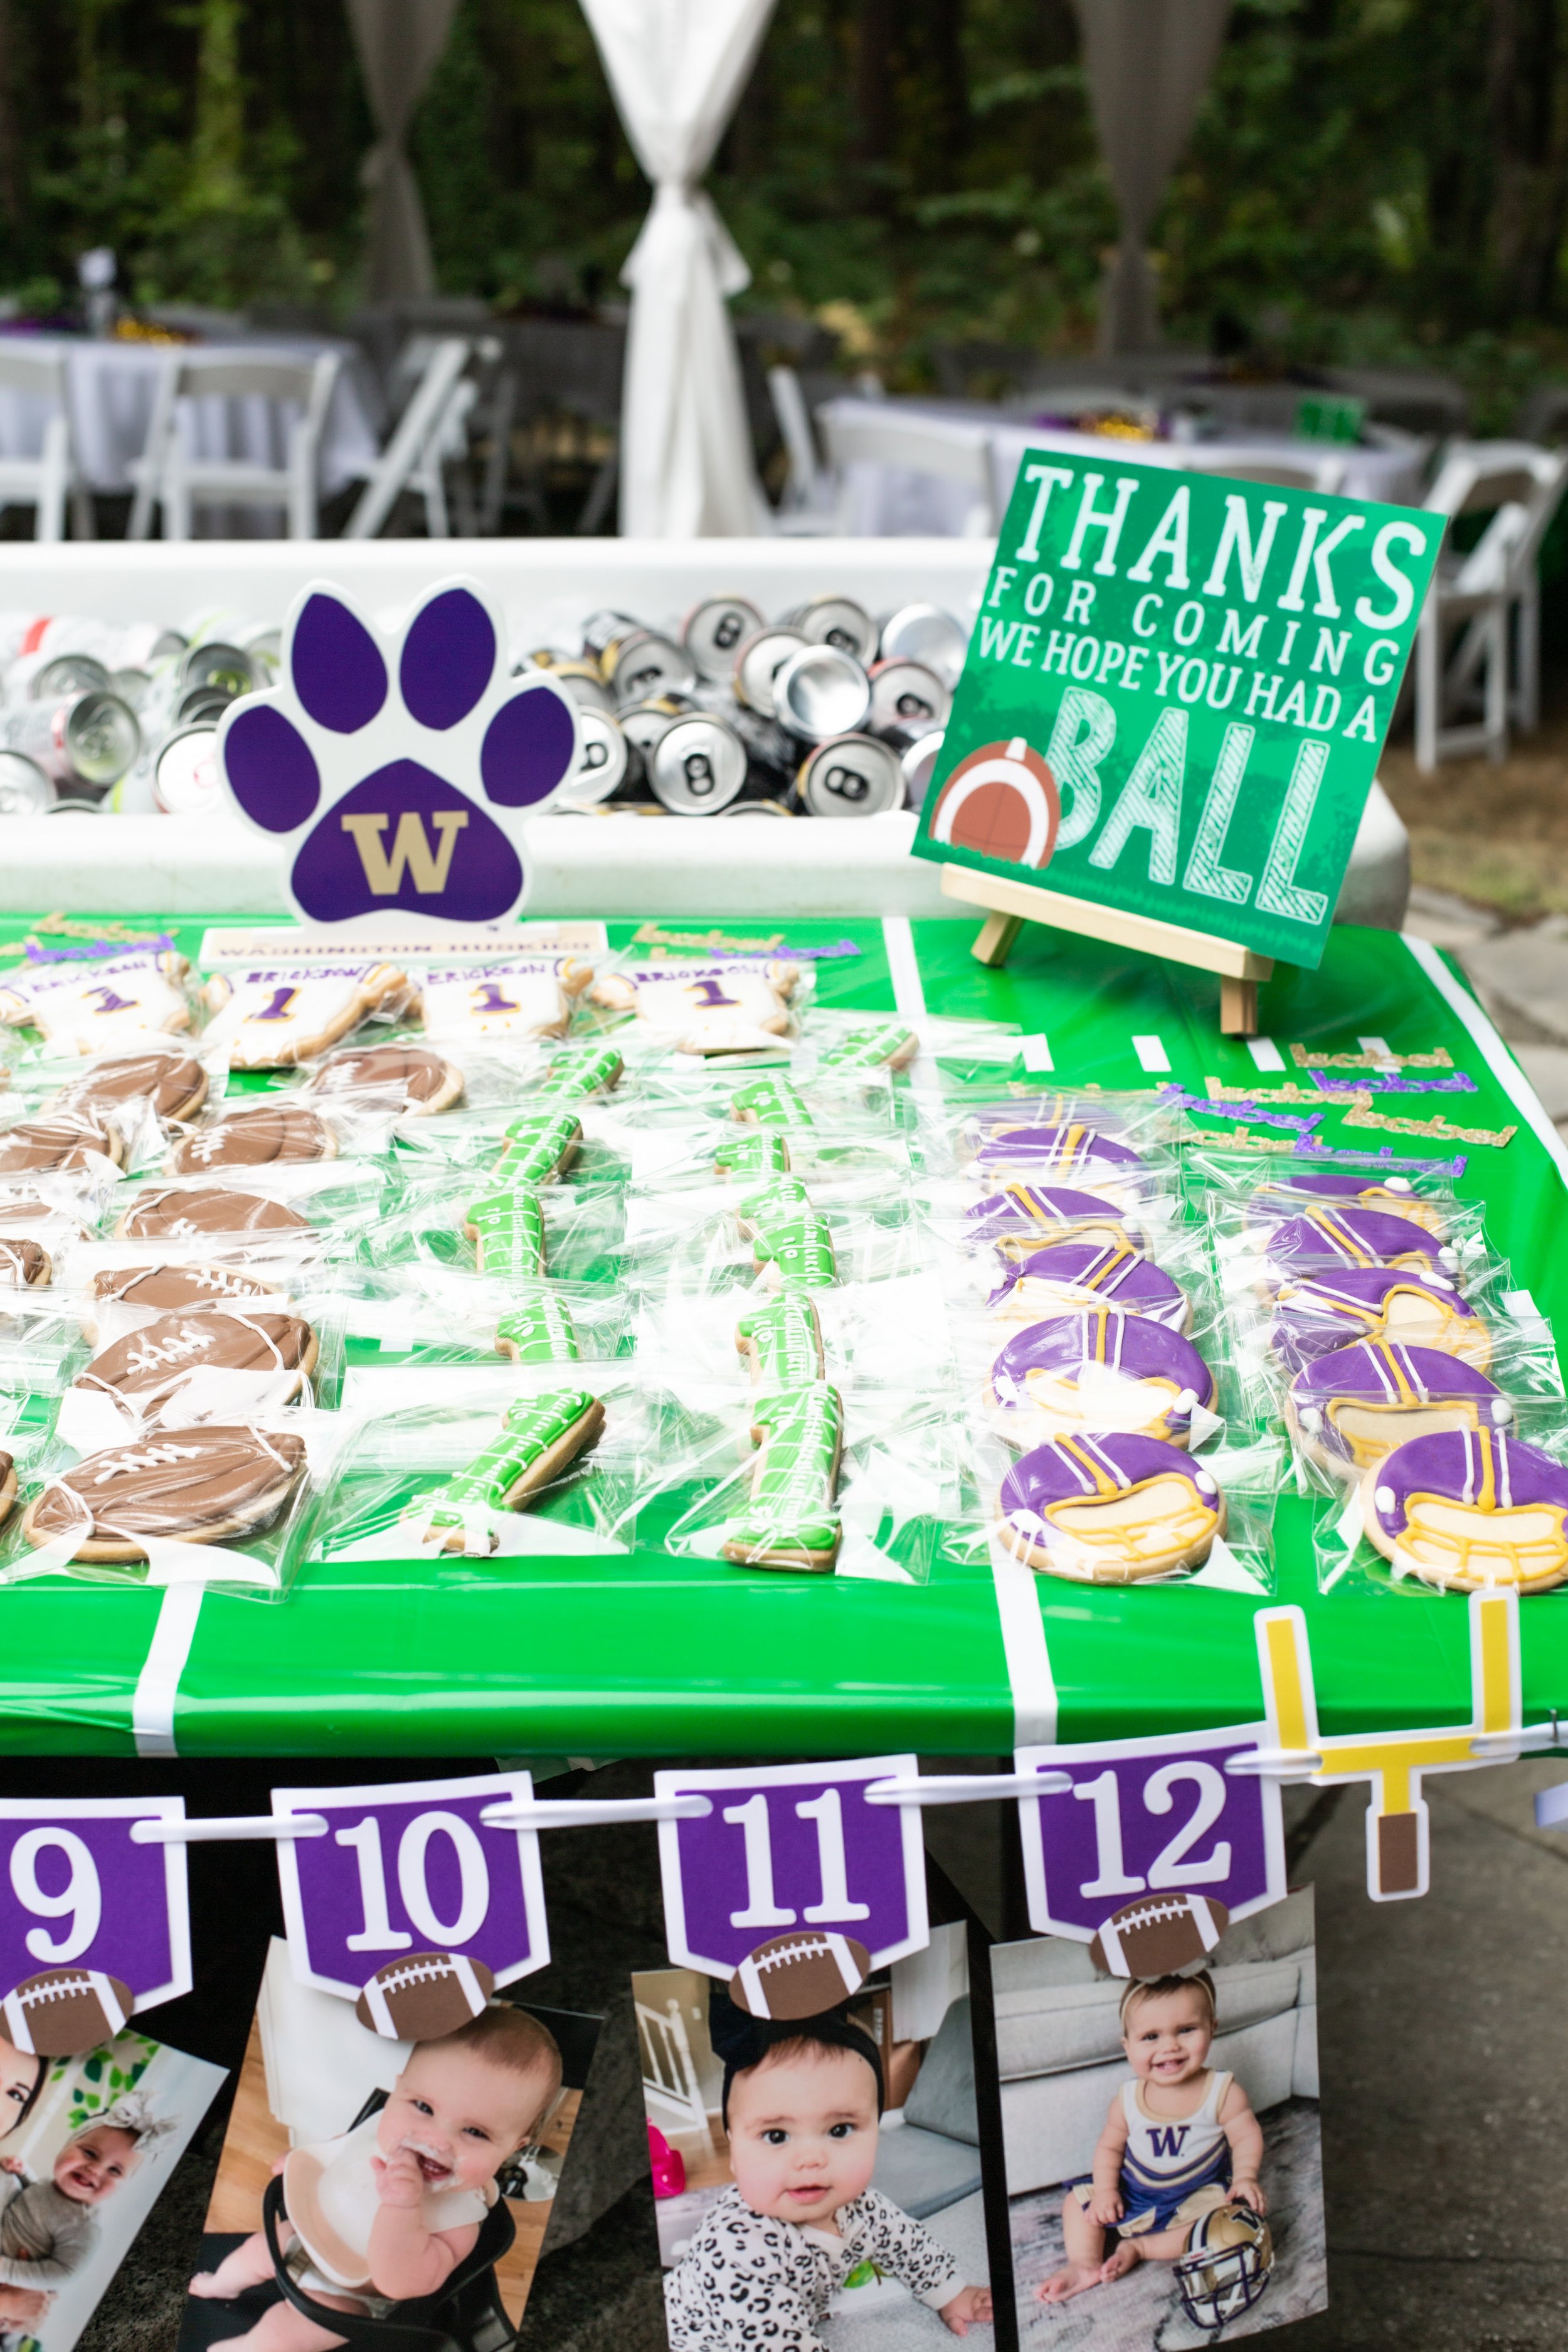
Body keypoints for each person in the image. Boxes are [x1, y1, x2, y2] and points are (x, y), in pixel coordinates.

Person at [189, 2003, 562, 2352]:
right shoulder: (381, 2128)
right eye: (424, 2107)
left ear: (513, 2148)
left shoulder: (460, 2223)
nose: (435, 2141)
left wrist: (402, 2206)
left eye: (475, 2132)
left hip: (348, 2296)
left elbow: (399, 2282)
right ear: (398, 2090)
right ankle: (222, 2285)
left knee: (283, 2335)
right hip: (306, 2233)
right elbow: (342, 2149)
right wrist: (301, 2160)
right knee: (251, 2253)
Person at [664, 1989, 992, 2348]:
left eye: (839, 2130)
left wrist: (949, 2292)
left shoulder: (863, 2207)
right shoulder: (736, 2251)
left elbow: (907, 2243)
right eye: (776, 2135)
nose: (811, 2160)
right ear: (733, 2151)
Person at [1039, 1970, 1267, 2304]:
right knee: (1076, 2202)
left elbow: (1246, 2137)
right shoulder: (1127, 2100)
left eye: (1186, 2030)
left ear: (1212, 2029)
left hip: (1195, 2194)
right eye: (1150, 2037)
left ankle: (1141, 2247)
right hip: (1135, 2190)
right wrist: (1106, 2192)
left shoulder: (1223, 2092)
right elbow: (1109, 2149)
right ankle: (1084, 2263)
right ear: (1127, 2046)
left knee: (1225, 2219)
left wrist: (1246, 2177)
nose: (1169, 2047)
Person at [0, 2092, 172, 2288]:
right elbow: (34, 2197)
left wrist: (6, 2270)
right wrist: (22, 2172)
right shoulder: (51, 2186)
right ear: (67, 2145)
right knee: (6, 2175)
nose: (95, 2170)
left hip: (11, 2265)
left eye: (114, 2170)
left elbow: (65, 2273)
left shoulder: (83, 2226)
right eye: (90, 2153)